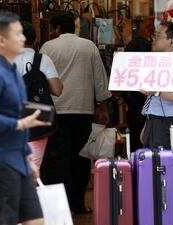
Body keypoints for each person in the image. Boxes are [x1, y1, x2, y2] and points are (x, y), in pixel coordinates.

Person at [0, 11, 48, 225]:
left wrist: (26, 158)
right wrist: (18, 124)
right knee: (6, 220)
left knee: (37, 220)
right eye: (17, 34)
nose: (23, 39)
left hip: (16, 159)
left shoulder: (11, 70)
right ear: (2, 40)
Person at [39, 12, 112, 214]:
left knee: (57, 160)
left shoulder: (48, 47)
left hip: (56, 110)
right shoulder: (88, 46)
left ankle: (60, 208)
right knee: (81, 157)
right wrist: (103, 108)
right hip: (83, 109)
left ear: (57, 29)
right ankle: (78, 204)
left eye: (53, 29)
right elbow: (100, 78)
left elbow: (42, 80)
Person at [14, 21, 63, 168]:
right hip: (37, 122)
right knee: (33, 168)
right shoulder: (43, 60)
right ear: (35, 40)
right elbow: (57, 90)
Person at [140, 21, 173, 149]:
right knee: (150, 164)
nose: (153, 39)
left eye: (158, 36)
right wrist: (148, 123)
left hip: (166, 123)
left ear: (171, 42)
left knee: (161, 165)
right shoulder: (157, 62)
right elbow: (154, 99)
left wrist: (156, 91)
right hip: (153, 120)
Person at [120, 37, 151, 151]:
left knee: (135, 147)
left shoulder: (126, 70)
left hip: (133, 115)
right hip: (146, 116)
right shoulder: (148, 71)